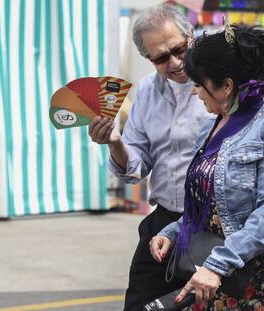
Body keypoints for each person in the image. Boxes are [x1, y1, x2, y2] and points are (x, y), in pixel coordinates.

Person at [150, 24, 264, 310]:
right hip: (217, 271)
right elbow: (206, 205)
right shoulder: (210, 129)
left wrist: (217, 265)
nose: (196, 93)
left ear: (226, 86)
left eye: (200, 84)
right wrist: (173, 231)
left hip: (262, 275)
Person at [88, 4, 214, 310]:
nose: (174, 62)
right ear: (148, 59)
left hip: (214, 225)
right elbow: (135, 168)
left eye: (179, 49)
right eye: (160, 58)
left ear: (191, 38)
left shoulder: (219, 85)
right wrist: (115, 141)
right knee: (140, 302)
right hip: (165, 219)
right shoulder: (147, 91)